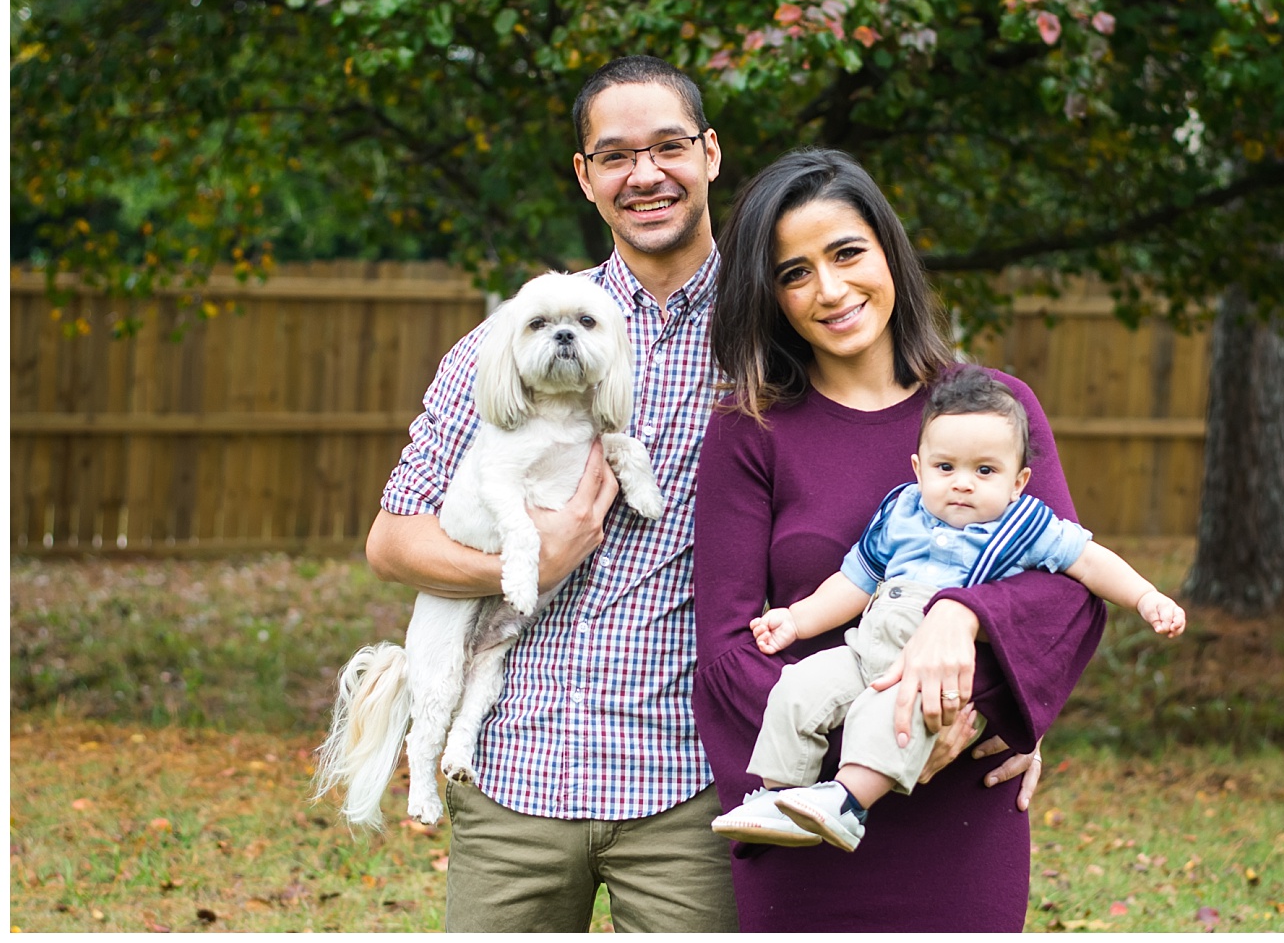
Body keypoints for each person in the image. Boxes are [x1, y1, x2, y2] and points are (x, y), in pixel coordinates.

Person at [365, 54, 736, 933]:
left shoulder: (773, 336)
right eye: (615, 155)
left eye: (669, 147)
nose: (645, 174)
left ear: (710, 154)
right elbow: (390, 541)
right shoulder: (511, 338)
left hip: (689, 784)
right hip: (514, 774)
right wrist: (516, 561)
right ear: (586, 176)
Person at [692, 149, 1103, 932]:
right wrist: (880, 746)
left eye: (847, 252)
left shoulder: (994, 410)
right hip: (801, 813)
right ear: (770, 295)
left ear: (888, 249)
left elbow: (1064, 591)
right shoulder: (750, 431)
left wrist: (973, 672)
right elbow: (727, 649)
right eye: (795, 272)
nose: (832, 289)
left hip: (960, 806)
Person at [714, 364, 1185, 853]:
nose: (962, 483)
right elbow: (854, 583)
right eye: (946, 468)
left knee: (890, 717)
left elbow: (1089, 562)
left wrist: (1146, 596)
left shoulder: (1024, 525)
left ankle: (847, 804)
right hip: (863, 652)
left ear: (1019, 481)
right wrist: (795, 619)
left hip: (932, 677)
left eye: (985, 471)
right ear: (919, 469)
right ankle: (780, 797)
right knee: (797, 688)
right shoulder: (901, 511)